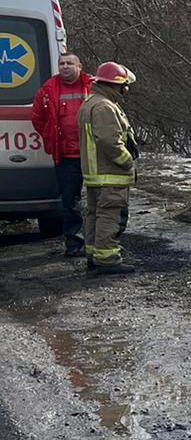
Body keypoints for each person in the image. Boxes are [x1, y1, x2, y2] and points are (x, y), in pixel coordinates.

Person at [76, 61, 138, 276]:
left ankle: (94, 255)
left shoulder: (91, 102)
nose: (126, 90)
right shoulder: (104, 107)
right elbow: (109, 141)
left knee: (95, 214)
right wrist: (127, 161)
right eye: (125, 86)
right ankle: (107, 259)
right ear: (117, 85)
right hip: (109, 173)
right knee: (109, 215)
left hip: (95, 174)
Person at [31, 53, 94, 256]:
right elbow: (38, 118)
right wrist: (51, 137)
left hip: (93, 155)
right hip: (66, 156)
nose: (65, 66)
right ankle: (74, 245)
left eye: (69, 63)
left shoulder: (92, 86)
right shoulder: (48, 90)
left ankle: (98, 244)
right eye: (62, 63)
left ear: (79, 66)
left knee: (99, 201)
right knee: (70, 203)